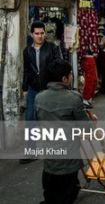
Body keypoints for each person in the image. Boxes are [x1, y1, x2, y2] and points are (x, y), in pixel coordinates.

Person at [35, 59, 89, 204]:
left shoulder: (39, 98)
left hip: (50, 158)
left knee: (50, 192)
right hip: (68, 160)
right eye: (70, 74)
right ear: (64, 79)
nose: (72, 77)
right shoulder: (73, 99)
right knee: (64, 195)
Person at [23, 21, 62, 122]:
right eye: (37, 33)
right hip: (33, 88)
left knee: (49, 117)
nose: (40, 36)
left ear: (45, 33)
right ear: (32, 34)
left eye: (42, 33)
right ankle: (32, 138)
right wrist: (25, 88)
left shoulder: (52, 47)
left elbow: (59, 66)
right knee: (30, 117)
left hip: (49, 87)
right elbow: (26, 70)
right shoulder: (27, 51)